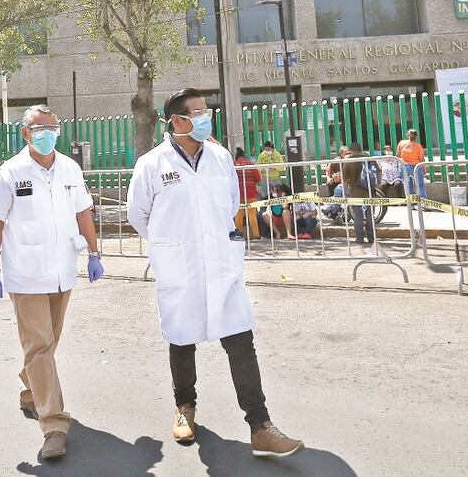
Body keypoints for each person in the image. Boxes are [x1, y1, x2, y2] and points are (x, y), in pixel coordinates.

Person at [127, 88, 304, 459]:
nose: (206, 117)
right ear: (177, 121)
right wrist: (170, 245)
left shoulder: (221, 157)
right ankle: (184, 408)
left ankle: (260, 425)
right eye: (198, 112)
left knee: (241, 340)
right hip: (181, 266)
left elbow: (231, 206)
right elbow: (137, 216)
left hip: (222, 265)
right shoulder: (151, 164)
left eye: (206, 111)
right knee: (181, 338)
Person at [0, 104, 103, 461]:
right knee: (40, 346)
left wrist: (94, 252)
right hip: (26, 273)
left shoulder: (70, 168)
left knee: (46, 344)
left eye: (52, 127)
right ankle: (53, 425)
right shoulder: (10, 172)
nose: (47, 133)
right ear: (25, 133)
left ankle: (31, 390)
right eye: (39, 128)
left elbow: (83, 211)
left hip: (63, 270)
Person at [342, 143, 380, 245]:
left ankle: (359, 238)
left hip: (355, 192)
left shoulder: (348, 162)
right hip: (370, 191)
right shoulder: (370, 159)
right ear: (361, 149)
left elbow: (345, 180)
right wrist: (377, 185)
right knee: (370, 215)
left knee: (357, 215)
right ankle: (371, 237)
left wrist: (344, 194)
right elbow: (378, 172)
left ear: (351, 151)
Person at [233, 147, 262, 239]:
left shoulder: (234, 165)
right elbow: (257, 178)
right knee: (252, 214)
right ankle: (256, 235)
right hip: (250, 192)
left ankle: (239, 234)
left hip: (238, 193)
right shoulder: (250, 164)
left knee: (238, 214)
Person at [396, 129, 427, 202]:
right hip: (416, 167)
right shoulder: (418, 146)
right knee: (420, 185)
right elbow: (421, 159)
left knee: (408, 185)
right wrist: (424, 169)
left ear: (408, 135)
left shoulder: (401, 143)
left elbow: (398, 155)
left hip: (404, 167)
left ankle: (411, 204)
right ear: (416, 137)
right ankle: (423, 203)